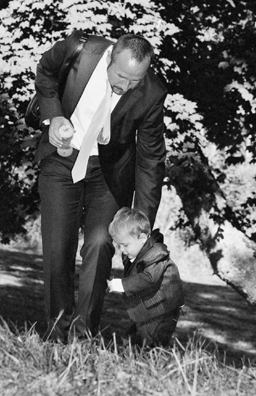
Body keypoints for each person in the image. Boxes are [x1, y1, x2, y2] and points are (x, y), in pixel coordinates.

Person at [34, 31, 167, 342]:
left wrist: (141, 226)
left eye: (135, 80)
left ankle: (82, 337)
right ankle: (56, 335)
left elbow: (150, 158)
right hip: (61, 161)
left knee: (99, 244)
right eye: (121, 76)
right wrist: (53, 116)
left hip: (108, 175)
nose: (126, 86)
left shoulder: (153, 92)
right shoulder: (79, 50)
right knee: (57, 247)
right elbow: (45, 71)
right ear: (109, 58)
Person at [106, 207, 185, 347]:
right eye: (119, 246)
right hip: (148, 310)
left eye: (125, 245)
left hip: (162, 311)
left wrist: (121, 285)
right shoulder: (141, 253)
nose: (122, 250)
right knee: (133, 338)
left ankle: (150, 362)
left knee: (150, 343)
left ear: (142, 238)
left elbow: (148, 278)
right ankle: (132, 358)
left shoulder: (156, 255)